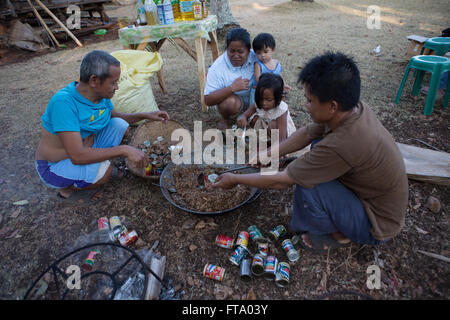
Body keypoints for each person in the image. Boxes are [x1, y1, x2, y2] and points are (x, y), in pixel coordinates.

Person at [211, 52, 408, 254]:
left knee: (309, 185)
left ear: (332, 106)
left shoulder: (343, 143)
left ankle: (336, 234)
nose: (306, 106)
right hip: (371, 196)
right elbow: (307, 133)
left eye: (310, 101)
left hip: (376, 222)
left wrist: (235, 179)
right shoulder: (353, 108)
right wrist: (268, 153)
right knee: (315, 146)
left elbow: (283, 180)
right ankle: (340, 216)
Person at [35, 50, 170, 204]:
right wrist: (124, 149)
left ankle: (94, 164)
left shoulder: (99, 96)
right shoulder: (64, 103)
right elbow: (77, 156)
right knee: (103, 173)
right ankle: (67, 189)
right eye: (113, 82)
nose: (117, 87)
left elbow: (117, 116)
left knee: (120, 125)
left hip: (85, 146)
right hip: (54, 166)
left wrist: (147, 115)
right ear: (94, 80)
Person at [204, 28, 257, 130]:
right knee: (229, 103)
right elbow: (207, 100)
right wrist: (232, 88)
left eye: (241, 52)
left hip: (254, 100)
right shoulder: (217, 67)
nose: (236, 56)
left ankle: (254, 115)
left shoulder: (255, 56)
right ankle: (225, 118)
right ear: (226, 49)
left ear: (248, 51)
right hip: (234, 101)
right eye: (231, 51)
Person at [237, 73, 296, 145]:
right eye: (261, 99)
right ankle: (266, 142)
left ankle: (274, 146)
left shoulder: (281, 110)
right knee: (255, 119)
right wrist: (242, 118)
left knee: (272, 125)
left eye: (269, 100)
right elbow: (244, 115)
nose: (264, 103)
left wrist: (277, 151)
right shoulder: (258, 103)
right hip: (266, 131)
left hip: (282, 136)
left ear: (278, 98)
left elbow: (282, 138)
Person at [249, 32, 291, 108]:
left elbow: (279, 76)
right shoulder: (258, 65)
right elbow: (258, 79)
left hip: (272, 91)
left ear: (273, 50)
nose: (262, 55)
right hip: (258, 91)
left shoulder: (277, 63)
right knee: (256, 108)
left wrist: (283, 84)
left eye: (265, 51)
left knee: (274, 106)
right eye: (258, 53)